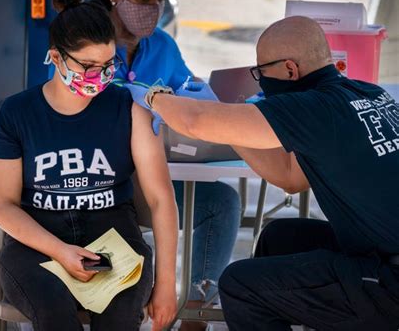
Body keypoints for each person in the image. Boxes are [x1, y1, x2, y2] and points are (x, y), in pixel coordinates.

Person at [126, 16, 399, 330]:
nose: (259, 81)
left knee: (240, 287)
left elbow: (196, 122)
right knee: (280, 238)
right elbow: (290, 177)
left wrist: (153, 97)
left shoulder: (311, 107)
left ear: (289, 70)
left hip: (388, 282)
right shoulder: (367, 94)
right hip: (379, 252)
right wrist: (231, 123)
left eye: (261, 72)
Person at [0, 0, 178, 331]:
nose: (100, 77)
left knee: (120, 317)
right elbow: (2, 205)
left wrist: (166, 284)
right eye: (88, 66)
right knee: (55, 317)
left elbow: (161, 199)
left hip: (114, 238)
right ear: (56, 58)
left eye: (108, 65)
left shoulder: (130, 109)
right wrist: (59, 250)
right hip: (37, 241)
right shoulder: (17, 113)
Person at [91, 0, 241, 329]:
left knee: (222, 202)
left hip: (155, 179)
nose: (153, 8)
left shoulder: (162, 45)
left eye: (160, 0)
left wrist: (203, 98)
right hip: (100, 182)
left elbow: (189, 95)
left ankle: (194, 316)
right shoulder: (85, 39)